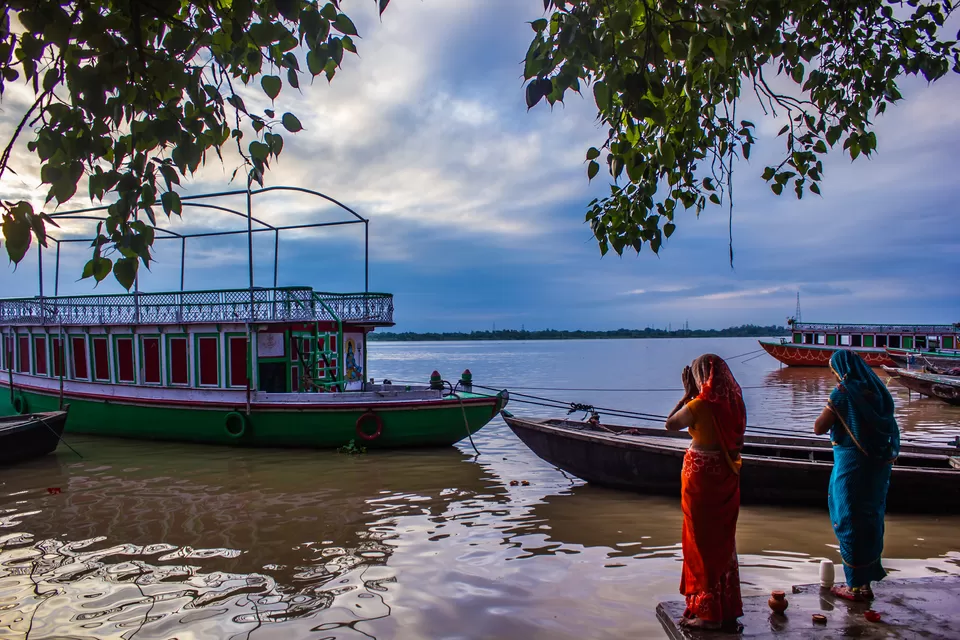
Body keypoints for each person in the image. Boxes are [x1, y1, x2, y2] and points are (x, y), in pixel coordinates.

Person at [665, 354, 746, 630]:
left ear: (701, 377)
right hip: (726, 474)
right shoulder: (735, 404)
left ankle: (709, 614)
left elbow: (670, 424)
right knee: (722, 541)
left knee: (701, 542)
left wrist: (687, 395)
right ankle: (725, 609)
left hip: (701, 480)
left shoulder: (699, 405)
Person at [813, 349, 900, 602]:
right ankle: (865, 583)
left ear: (842, 370)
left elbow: (819, 427)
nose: (834, 376)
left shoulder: (843, 393)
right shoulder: (879, 393)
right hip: (876, 467)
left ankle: (854, 587)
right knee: (869, 517)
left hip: (852, 465)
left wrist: (830, 404)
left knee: (848, 519)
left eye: (833, 371)